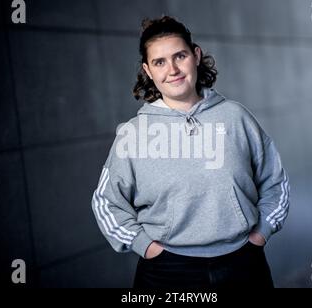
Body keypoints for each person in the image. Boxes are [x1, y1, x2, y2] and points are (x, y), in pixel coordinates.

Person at [91, 16, 290, 288]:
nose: (172, 69)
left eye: (179, 56)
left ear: (195, 56)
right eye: (159, 62)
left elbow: (275, 181)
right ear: (148, 71)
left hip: (243, 263)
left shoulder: (236, 117)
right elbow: (106, 201)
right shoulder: (134, 133)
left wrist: (262, 231)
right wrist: (145, 246)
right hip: (167, 270)